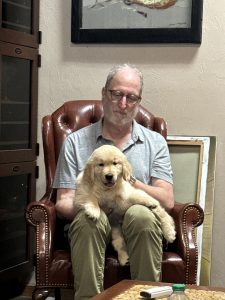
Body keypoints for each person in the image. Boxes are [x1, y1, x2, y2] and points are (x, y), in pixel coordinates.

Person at [53, 63, 174, 300]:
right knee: (90, 219)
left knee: (141, 214)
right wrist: (94, 201)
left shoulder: (154, 142)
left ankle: (146, 296)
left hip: (137, 228)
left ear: (138, 101)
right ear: (104, 93)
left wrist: (129, 184)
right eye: (116, 94)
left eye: (131, 97)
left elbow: (167, 200)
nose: (122, 104)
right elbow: (63, 201)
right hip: (88, 230)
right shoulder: (75, 143)